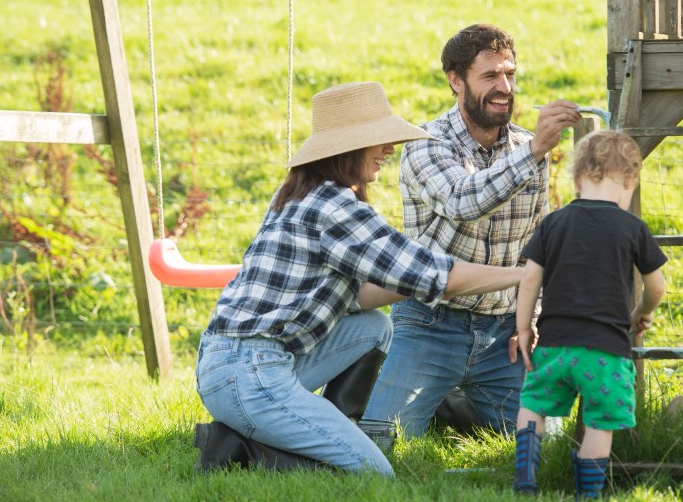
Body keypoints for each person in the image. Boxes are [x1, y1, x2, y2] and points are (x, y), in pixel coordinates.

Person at [193, 81, 525, 475]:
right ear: (349, 147)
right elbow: (439, 278)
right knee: (372, 472)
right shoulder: (335, 209)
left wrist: (416, 276)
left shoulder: (300, 192)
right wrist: (522, 274)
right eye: (379, 140)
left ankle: (327, 427)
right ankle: (237, 452)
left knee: (372, 328)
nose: (388, 150)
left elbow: (364, 295)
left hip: (233, 360)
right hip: (250, 370)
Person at [363, 23, 582, 437]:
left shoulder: (527, 147)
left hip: (503, 332)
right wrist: (536, 150)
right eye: (490, 76)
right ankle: (443, 396)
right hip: (430, 322)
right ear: (455, 81)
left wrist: (531, 319)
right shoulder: (426, 145)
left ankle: (451, 405)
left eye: (510, 74)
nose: (504, 87)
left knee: (545, 442)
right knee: (381, 441)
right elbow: (464, 202)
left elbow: (533, 247)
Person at [512, 129, 667, 498]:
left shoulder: (553, 222)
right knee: (600, 422)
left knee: (534, 403)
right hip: (605, 353)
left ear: (579, 178)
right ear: (630, 181)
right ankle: (589, 493)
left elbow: (530, 281)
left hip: (554, 345)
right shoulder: (633, 228)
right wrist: (639, 312)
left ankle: (525, 480)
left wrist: (524, 330)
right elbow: (657, 286)